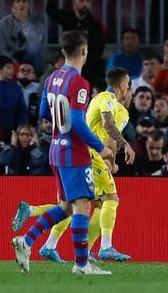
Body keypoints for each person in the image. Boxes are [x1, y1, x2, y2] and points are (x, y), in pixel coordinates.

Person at [12, 31, 117, 276]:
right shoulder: (79, 82)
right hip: (74, 153)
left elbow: (44, 114)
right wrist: (101, 148)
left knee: (66, 206)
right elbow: (78, 122)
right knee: (82, 206)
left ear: (63, 51)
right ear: (84, 51)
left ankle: (26, 241)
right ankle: (81, 265)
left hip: (56, 150)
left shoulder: (52, 78)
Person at [18, 68, 135, 264]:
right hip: (90, 153)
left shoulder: (95, 97)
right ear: (123, 85)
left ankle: (37, 237)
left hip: (65, 150)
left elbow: (44, 112)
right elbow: (108, 133)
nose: (129, 89)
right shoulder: (112, 103)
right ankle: (101, 249)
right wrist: (120, 151)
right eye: (129, 85)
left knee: (72, 205)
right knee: (107, 200)